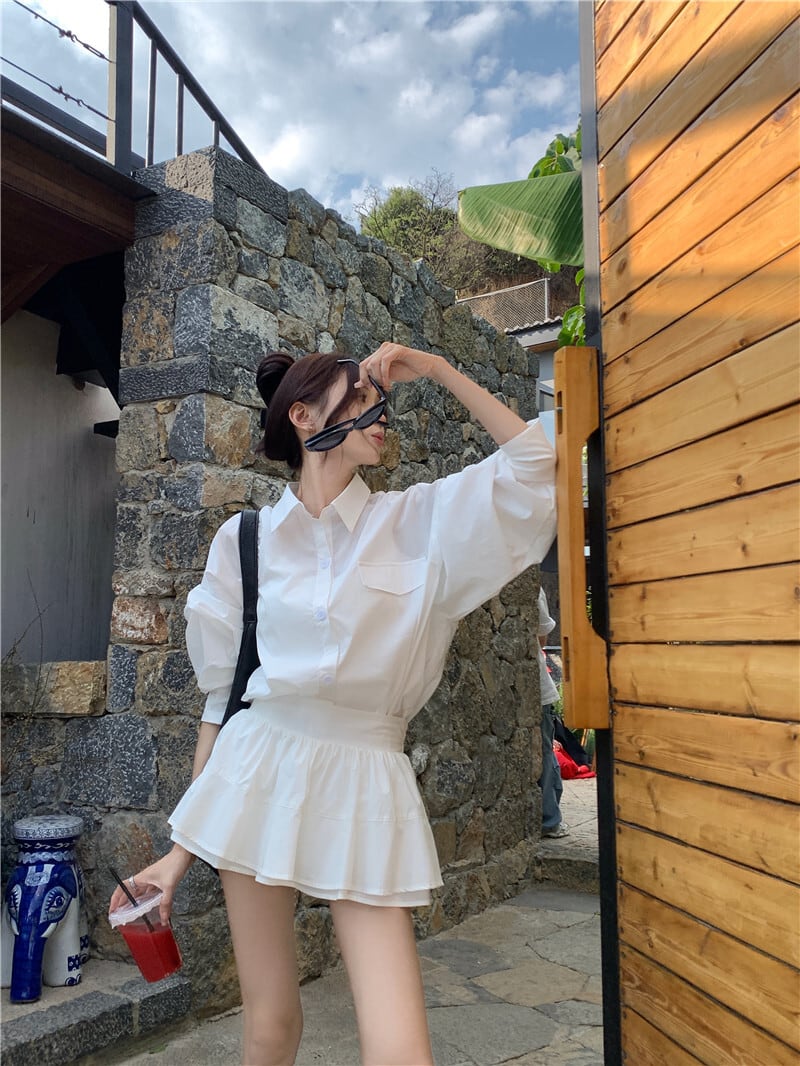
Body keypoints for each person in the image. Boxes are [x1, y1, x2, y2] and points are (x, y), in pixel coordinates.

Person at [109, 342, 557, 1066]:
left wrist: (437, 369)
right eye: (359, 398)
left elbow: (540, 466)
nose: (380, 414)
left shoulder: (420, 523)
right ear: (304, 415)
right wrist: (178, 854)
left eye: (380, 400)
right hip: (256, 775)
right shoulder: (245, 542)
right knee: (270, 1026)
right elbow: (226, 700)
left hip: (366, 780)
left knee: (401, 1049)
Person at [537, 586, 569, 838]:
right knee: (545, 751)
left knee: (546, 751)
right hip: (539, 687)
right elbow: (542, 637)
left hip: (539, 688)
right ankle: (550, 819)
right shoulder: (535, 590)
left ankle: (550, 818)